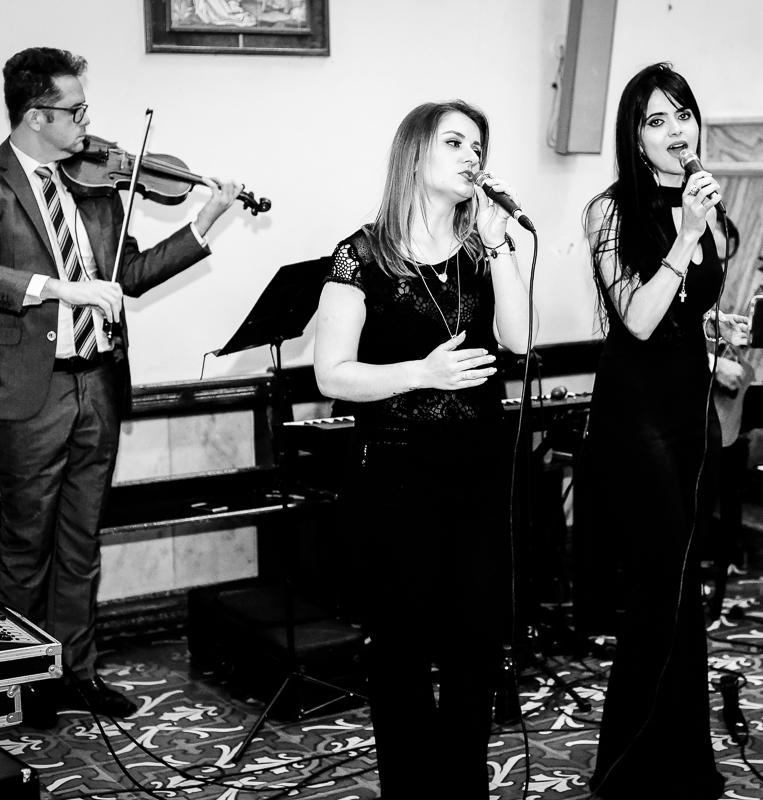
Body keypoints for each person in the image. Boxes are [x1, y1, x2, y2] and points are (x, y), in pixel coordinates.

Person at [0, 47, 242, 724]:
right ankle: (20, 682)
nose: (86, 124)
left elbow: (125, 278)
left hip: (97, 382)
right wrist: (57, 288)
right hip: (27, 392)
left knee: (81, 538)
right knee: (25, 542)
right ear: (38, 116)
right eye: (75, 112)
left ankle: (76, 674)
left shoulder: (94, 187)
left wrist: (204, 222)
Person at [313, 100, 533, 799]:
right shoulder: (362, 252)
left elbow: (522, 341)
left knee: (475, 648)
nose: (474, 155)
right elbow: (331, 373)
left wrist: (503, 247)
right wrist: (422, 373)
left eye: (480, 144)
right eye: (456, 141)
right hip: (394, 476)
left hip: (479, 471)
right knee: (401, 654)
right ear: (415, 153)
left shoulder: (482, 247)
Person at [578, 62, 748, 799]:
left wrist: (720, 333)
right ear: (634, 135)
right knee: (659, 591)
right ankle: (627, 773)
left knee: (684, 592)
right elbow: (639, 318)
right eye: (656, 120)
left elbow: (686, 313)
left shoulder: (703, 204)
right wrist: (684, 238)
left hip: (691, 413)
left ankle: (681, 765)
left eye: (683, 114)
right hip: (633, 416)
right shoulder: (607, 211)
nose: (677, 130)